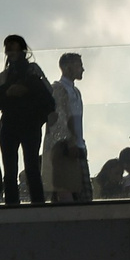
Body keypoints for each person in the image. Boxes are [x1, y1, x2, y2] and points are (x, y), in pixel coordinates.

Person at [0, 35, 52, 206]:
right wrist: (9, 92)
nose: (9, 50)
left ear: (22, 50)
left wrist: (25, 89)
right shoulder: (4, 76)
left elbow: (48, 94)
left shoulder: (32, 70)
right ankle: (12, 203)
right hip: (10, 123)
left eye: (13, 47)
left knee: (31, 165)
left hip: (29, 123)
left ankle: (37, 203)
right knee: (10, 169)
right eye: (7, 47)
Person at [45, 53, 88, 203]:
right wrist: (69, 141)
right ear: (66, 67)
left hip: (77, 144)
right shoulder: (58, 88)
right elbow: (59, 119)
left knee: (83, 192)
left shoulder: (75, 92)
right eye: (78, 65)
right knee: (66, 190)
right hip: (64, 147)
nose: (82, 69)